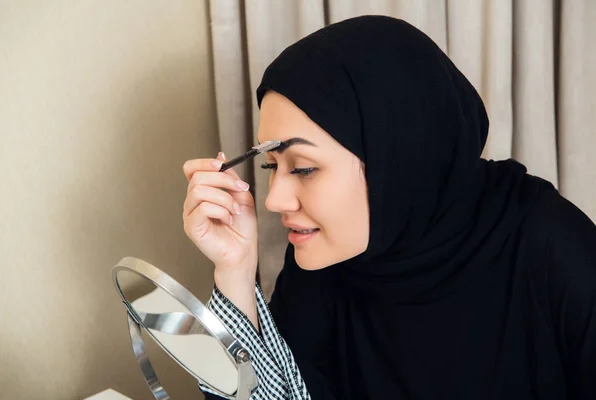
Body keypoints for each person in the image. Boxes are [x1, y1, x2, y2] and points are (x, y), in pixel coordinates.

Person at [182, 15, 596, 400]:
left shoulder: (551, 246)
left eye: (304, 168)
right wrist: (235, 274)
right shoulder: (326, 259)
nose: (274, 199)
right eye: (272, 167)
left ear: (398, 156)